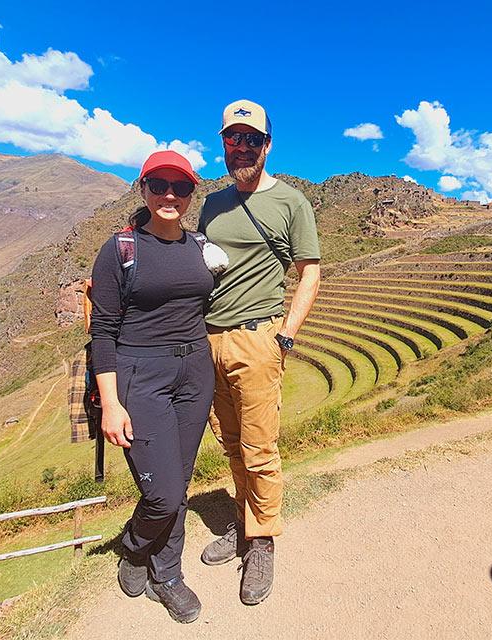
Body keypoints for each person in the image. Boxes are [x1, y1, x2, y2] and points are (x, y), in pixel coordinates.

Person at [198, 99, 321, 605]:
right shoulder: (211, 204)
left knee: (258, 445)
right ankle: (244, 524)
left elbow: (309, 271)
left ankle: (263, 539)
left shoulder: (292, 202)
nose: (242, 147)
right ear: (223, 143)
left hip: (257, 337)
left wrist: (285, 335)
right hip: (208, 338)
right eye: (233, 138)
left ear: (267, 144)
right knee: (229, 442)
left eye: (252, 139)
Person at [89, 150, 215, 624]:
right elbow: (102, 330)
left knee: (178, 483)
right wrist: (111, 404)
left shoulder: (199, 245)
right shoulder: (121, 248)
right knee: (161, 492)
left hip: (195, 373)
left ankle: (167, 574)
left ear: (190, 194)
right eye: (159, 185)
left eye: (180, 187)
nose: (169, 195)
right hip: (141, 375)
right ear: (142, 188)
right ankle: (133, 546)